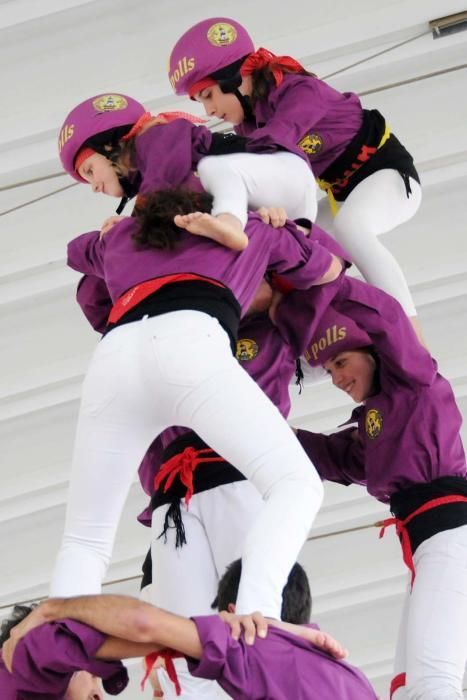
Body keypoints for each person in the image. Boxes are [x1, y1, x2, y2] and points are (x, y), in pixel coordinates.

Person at [50, 182, 344, 645]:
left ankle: (57, 659)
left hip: (117, 357)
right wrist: (283, 221)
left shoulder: (124, 236)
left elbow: (75, 250)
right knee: (296, 483)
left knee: (85, 540)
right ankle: (258, 617)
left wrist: (110, 229)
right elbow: (329, 266)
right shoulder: (245, 228)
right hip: (191, 344)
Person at [168, 17, 424, 340]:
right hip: (343, 195)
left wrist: (197, 146)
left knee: (350, 228)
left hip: (387, 174)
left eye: (208, 95)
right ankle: (356, 333)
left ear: (234, 77)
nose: (209, 110)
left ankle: (412, 335)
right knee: (311, 248)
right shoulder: (250, 123)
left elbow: (276, 142)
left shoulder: (298, 91)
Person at [289, 275, 467, 700]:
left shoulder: (414, 381)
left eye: (341, 362)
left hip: (450, 538)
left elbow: (386, 316)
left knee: (432, 682)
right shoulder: (374, 425)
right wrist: (260, 428)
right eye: (329, 370)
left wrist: (324, 277)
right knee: (409, 688)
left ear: (372, 350)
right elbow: (332, 459)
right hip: (432, 546)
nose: (337, 379)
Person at [1, 563, 379, 700]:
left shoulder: (252, 649)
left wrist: (55, 608)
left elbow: (145, 625)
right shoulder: (353, 680)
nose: (100, 693)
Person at [59, 92, 319, 242]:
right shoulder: (150, 165)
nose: (93, 186)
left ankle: (231, 224)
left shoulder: (155, 136)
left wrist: (131, 228)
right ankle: (290, 233)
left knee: (209, 169)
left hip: (282, 170)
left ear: (109, 145)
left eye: (90, 171)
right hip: (282, 198)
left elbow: (162, 180)